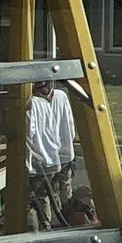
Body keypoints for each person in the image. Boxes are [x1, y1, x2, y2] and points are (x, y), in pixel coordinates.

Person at [25, 75, 77, 230]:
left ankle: (46, 228)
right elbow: (70, 124)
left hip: (43, 159)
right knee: (64, 190)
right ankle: (70, 222)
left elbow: (29, 134)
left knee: (43, 196)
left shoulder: (32, 104)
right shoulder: (62, 96)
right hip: (64, 154)